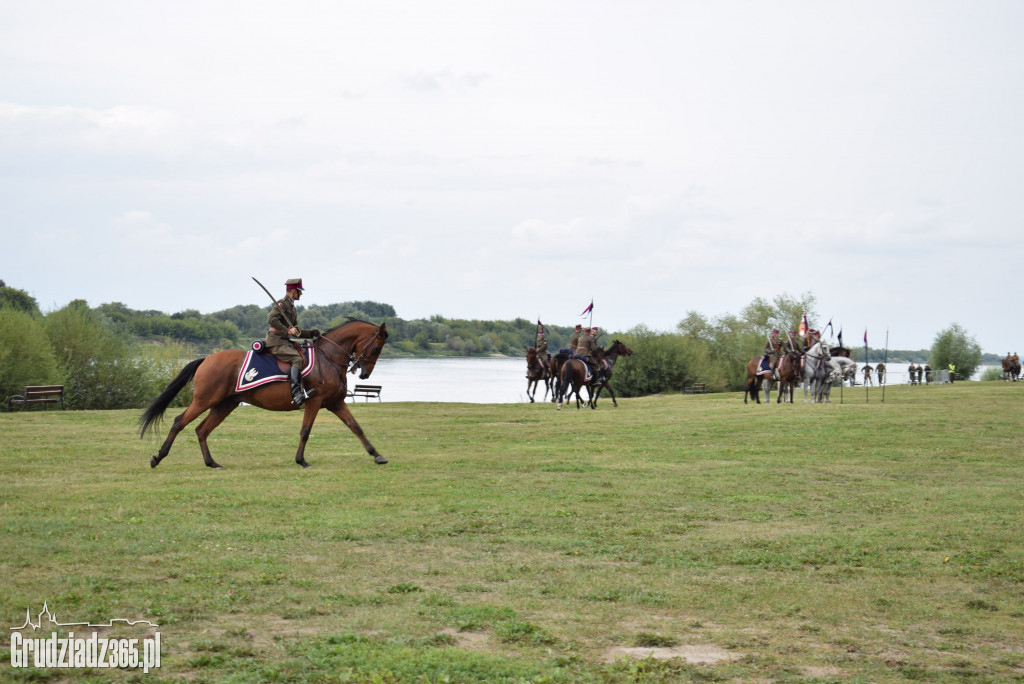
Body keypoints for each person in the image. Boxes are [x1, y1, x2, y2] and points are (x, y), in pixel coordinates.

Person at [265, 278, 320, 406]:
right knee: (297, 359)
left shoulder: (292, 307)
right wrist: (287, 331)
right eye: (299, 291)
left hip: (284, 340)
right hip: (276, 341)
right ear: (293, 291)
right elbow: (271, 319)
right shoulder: (282, 304)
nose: (301, 294)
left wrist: (311, 333)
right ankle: (296, 394)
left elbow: (297, 331)